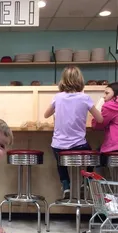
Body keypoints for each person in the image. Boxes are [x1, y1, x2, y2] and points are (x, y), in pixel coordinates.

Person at [44, 66, 103, 199]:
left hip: (58, 145)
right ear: (80, 80)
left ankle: (66, 185)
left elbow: (46, 115)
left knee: (60, 160)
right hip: (79, 145)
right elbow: (100, 119)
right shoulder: (85, 98)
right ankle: (86, 181)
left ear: (63, 81)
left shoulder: (58, 97)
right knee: (93, 155)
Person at [92, 82, 118, 155]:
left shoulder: (110, 106)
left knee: (95, 157)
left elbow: (98, 125)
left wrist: (95, 117)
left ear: (116, 94)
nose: (104, 96)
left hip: (115, 146)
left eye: (107, 93)